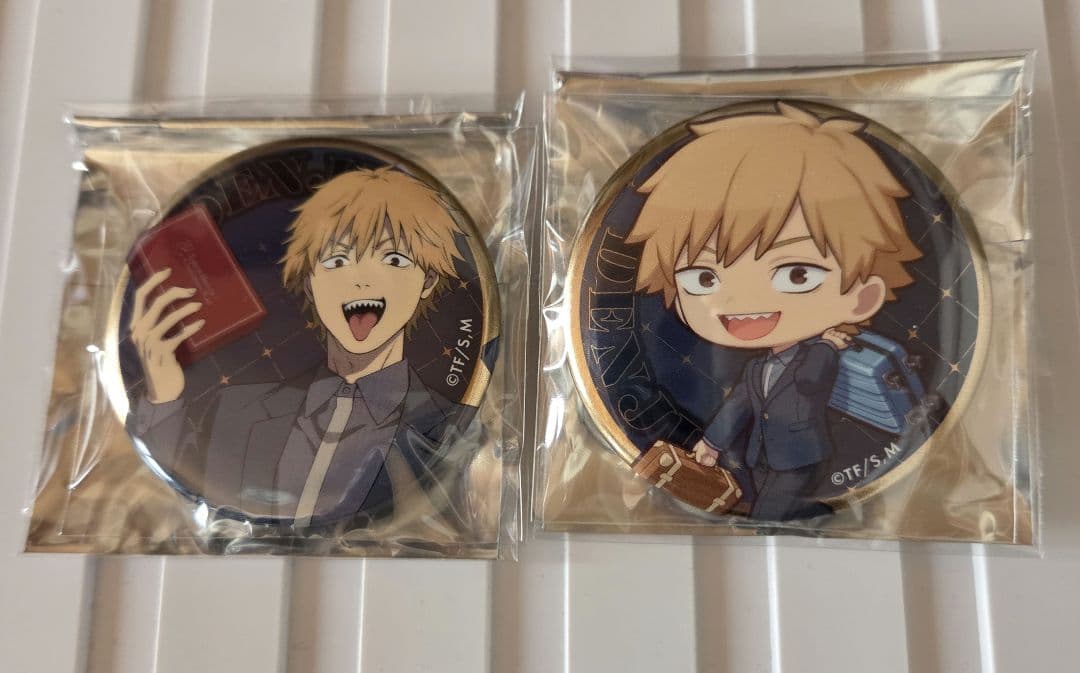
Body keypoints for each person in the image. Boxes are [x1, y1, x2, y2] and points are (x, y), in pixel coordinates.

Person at [626, 102, 923, 520]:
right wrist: (711, 444)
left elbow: (810, 381)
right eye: (704, 278)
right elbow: (737, 408)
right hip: (760, 456)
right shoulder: (756, 369)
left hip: (801, 457)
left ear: (863, 296)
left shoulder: (817, 354)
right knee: (778, 505)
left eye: (797, 274)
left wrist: (826, 343)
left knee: (772, 514)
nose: (744, 301)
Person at [128, 167, 469, 528]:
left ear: (427, 280)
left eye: (394, 260)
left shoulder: (441, 426)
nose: (362, 281)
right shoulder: (236, 409)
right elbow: (169, 498)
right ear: (310, 282)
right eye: (337, 260)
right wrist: (164, 396)